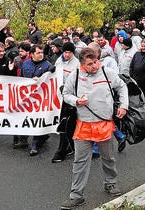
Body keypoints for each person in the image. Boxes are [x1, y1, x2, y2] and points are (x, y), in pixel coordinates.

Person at [60, 48, 128, 210]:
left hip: (104, 124)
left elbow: (122, 86)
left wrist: (124, 106)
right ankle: (76, 195)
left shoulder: (107, 72)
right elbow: (66, 94)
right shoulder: (75, 75)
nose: (95, 66)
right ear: (82, 64)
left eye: (96, 61)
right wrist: (76, 101)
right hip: (83, 125)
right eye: (90, 64)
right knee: (80, 161)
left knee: (108, 158)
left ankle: (110, 183)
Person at [21, 44, 55, 155]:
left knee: (38, 119)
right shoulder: (25, 64)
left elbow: (50, 81)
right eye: (38, 53)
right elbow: (21, 79)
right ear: (32, 54)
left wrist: (40, 79)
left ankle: (35, 144)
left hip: (41, 98)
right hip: (27, 96)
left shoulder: (47, 65)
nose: (41, 55)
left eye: (42, 53)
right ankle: (23, 138)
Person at [51, 41, 81, 163]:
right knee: (65, 123)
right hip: (60, 96)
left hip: (71, 97)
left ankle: (61, 151)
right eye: (64, 52)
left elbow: (78, 82)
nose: (66, 54)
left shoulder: (77, 64)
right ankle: (69, 146)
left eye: (68, 52)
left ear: (72, 53)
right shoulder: (59, 60)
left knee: (67, 123)